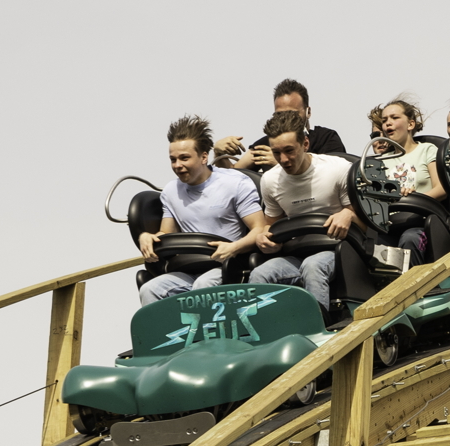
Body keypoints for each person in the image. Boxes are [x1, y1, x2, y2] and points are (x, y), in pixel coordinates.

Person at [138, 115, 269, 306]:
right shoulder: (171, 191)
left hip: (227, 267)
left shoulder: (234, 182)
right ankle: (170, 336)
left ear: (204, 157)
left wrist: (233, 248)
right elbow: (166, 234)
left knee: (203, 285)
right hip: (189, 268)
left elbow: (259, 229)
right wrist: (147, 236)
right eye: (173, 159)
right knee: (150, 289)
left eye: (184, 158)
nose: (177, 165)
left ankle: (203, 336)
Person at [249, 109, 359, 309]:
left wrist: (348, 213)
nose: (283, 159)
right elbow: (271, 226)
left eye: (289, 150)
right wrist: (263, 238)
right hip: (297, 252)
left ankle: (319, 331)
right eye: (276, 153)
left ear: (305, 144)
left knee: (313, 266)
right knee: (259, 274)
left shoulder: (337, 168)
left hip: (338, 249)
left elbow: (365, 224)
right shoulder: (270, 180)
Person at [214, 79, 347, 171]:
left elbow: (336, 174)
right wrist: (218, 152)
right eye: (279, 114)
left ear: (308, 112)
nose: (286, 118)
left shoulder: (326, 138)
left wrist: (280, 163)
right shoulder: (266, 144)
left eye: (292, 113)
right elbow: (232, 174)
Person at [374, 100, 444, 199]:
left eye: (395, 118)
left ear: (410, 124)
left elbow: (441, 189)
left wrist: (412, 200)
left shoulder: (427, 150)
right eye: (384, 120)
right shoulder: (381, 161)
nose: (388, 123)